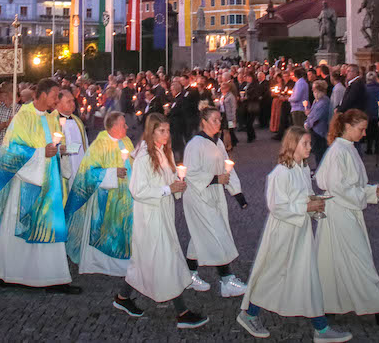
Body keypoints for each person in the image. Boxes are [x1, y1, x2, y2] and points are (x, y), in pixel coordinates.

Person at [237, 127, 352, 342]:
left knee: (308, 276)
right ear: (292, 145)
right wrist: (306, 207)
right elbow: (276, 206)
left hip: (300, 233)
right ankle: (249, 313)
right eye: (305, 144)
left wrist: (315, 206)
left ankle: (321, 328)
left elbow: (303, 197)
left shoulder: (302, 168)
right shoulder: (280, 173)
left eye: (310, 143)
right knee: (273, 273)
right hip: (283, 233)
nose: (310, 147)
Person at [0, 78, 80, 293]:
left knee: (49, 227)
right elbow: (12, 151)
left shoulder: (52, 118)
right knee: (16, 229)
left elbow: (52, 146)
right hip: (25, 183)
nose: (56, 100)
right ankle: (6, 273)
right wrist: (41, 152)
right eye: (54, 96)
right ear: (42, 94)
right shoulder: (22, 116)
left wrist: (58, 150)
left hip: (48, 182)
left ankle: (55, 278)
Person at [115, 114, 208, 329]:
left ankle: (122, 297)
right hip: (149, 216)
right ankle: (182, 312)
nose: (166, 135)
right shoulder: (145, 156)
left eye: (167, 130)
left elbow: (168, 180)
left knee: (146, 260)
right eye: (161, 131)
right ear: (151, 131)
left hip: (163, 213)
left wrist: (177, 183)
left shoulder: (164, 152)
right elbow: (137, 190)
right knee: (167, 258)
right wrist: (168, 189)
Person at [315, 109, 379, 325]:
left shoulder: (347, 148)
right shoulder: (338, 151)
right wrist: (365, 194)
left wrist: (370, 191)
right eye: (361, 129)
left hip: (344, 210)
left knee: (332, 259)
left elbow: (350, 184)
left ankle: (329, 304)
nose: (364, 134)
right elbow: (338, 187)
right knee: (360, 259)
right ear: (348, 127)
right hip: (340, 212)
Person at [182, 107, 248, 297]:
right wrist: (214, 179)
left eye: (220, 120)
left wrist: (238, 195)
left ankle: (189, 274)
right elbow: (190, 174)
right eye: (214, 120)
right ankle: (226, 280)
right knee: (217, 234)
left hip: (214, 195)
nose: (218, 124)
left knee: (200, 236)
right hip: (198, 197)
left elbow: (228, 168)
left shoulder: (218, 142)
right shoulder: (195, 145)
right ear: (203, 122)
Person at [64, 111, 133, 276]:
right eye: (123, 124)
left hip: (127, 197)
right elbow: (89, 171)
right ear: (114, 127)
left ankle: (127, 263)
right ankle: (103, 264)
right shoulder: (99, 145)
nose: (127, 127)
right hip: (106, 199)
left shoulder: (126, 141)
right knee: (106, 232)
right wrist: (112, 172)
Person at [55, 90, 88, 187]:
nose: (73, 104)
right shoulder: (53, 121)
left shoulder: (77, 120)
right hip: (64, 166)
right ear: (58, 103)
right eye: (68, 101)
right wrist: (59, 149)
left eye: (73, 101)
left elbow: (84, 143)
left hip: (80, 162)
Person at [305, 80, 331, 170]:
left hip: (320, 130)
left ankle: (320, 169)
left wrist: (308, 124)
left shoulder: (324, 102)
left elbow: (317, 117)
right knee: (317, 151)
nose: (313, 92)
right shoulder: (317, 101)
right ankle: (318, 167)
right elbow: (312, 113)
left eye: (315, 90)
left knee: (320, 151)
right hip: (315, 129)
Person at [220, 81, 239, 151]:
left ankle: (229, 145)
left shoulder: (231, 96)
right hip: (223, 115)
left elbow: (233, 108)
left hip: (229, 117)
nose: (222, 90)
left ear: (227, 88)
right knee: (224, 131)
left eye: (223, 88)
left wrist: (234, 118)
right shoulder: (223, 96)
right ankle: (225, 145)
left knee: (228, 131)